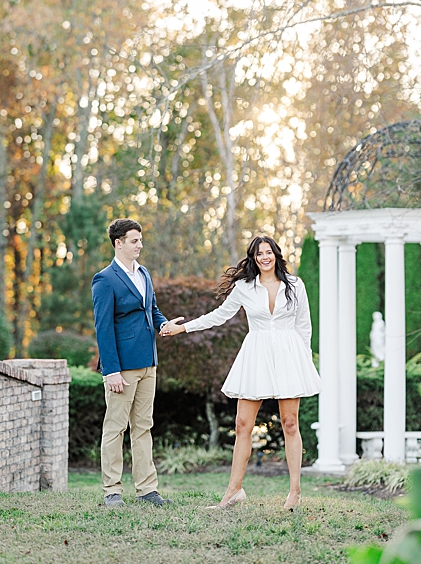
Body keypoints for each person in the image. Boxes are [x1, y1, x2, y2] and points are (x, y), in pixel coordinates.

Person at [161, 236, 321, 510]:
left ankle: (294, 492)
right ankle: (233, 491)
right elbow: (218, 316)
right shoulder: (244, 287)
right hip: (256, 355)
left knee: (290, 423)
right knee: (242, 425)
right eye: (259, 254)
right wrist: (182, 328)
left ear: (276, 255)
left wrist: (304, 362)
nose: (264, 258)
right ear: (253, 258)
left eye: (268, 252)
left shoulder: (295, 285)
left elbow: (303, 325)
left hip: (288, 356)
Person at [92, 218, 172, 507]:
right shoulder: (105, 279)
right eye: (134, 240)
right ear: (119, 243)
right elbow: (103, 328)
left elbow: (152, 308)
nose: (140, 244)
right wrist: (111, 370)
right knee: (115, 428)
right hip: (122, 368)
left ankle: (147, 489)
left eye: (140, 239)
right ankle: (112, 490)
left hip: (149, 362)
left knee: (143, 427)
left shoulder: (145, 273)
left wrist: (163, 324)